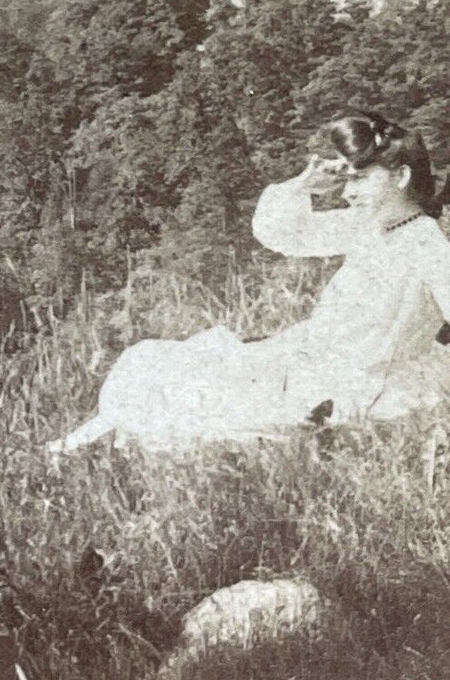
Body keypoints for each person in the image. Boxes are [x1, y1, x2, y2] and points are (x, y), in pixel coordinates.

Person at [47, 111, 450, 454]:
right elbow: (283, 234)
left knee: (201, 401)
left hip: (356, 387)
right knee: (154, 362)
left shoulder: (428, 247)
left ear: (400, 176)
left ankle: (105, 446)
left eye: (361, 179)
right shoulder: (373, 228)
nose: (348, 193)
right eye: (348, 181)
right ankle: (99, 442)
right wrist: (303, 186)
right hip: (307, 362)